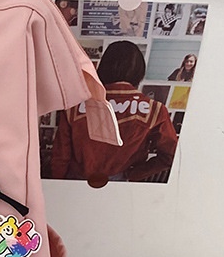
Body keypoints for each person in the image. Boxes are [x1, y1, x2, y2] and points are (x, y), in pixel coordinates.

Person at [49, 40, 178, 183]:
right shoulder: (155, 110)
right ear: (139, 72)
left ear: (103, 68)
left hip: (76, 181)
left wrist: (58, 185)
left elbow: (61, 155)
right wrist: (133, 174)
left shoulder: (75, 105)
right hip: (122, 184)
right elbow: (171, 154)